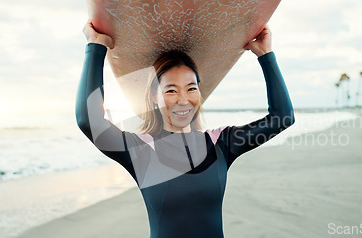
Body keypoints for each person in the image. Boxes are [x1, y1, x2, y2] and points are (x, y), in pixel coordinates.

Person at [76, 20, 295, 238]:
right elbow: (89, 120)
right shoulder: (141, 149)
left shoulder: (221, 143)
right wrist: (96, 47)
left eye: (191, 88)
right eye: (171, 91)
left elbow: (282, 117)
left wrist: (265, 55)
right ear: (155, 97)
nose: (183, 100)